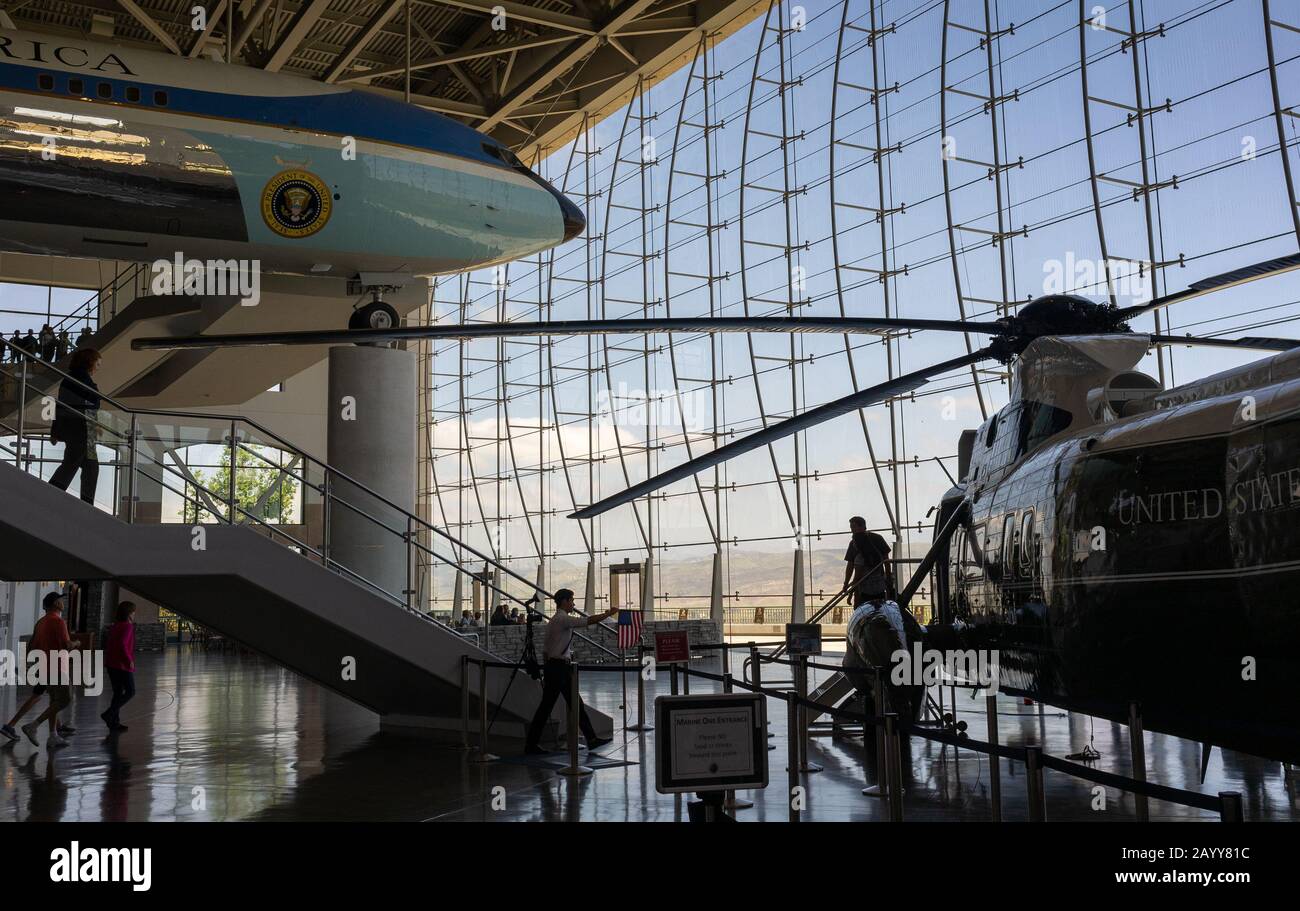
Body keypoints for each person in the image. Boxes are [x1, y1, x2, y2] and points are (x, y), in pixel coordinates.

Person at [524, 589, 618, 755]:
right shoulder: (562, 619)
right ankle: (532, 744)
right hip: (559, 668)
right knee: (556, 706)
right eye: (571, 600)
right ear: (564, 601)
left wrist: (547, 670)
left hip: (555, 667)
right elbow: (587, 621)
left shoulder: (554, 620)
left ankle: (591, 738)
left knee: (571, 704)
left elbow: (546, 650)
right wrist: (609, 613)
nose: (573, 604)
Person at [20, 592, 79, 749]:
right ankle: (33, 725)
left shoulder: (40, 622)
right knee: (65, 699)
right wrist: (77, 642)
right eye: (60, 600)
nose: (62, 602)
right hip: (57, 667)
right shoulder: (59, 622)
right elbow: (67, 645)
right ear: (56, 604)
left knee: (54, 700)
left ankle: (53, 736)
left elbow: (32, 646)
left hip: (43, 667)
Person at [49, 346, 102, 505]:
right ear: (90, 362)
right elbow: (87, 403)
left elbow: (62, 404)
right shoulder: (80, 379)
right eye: (98, 363)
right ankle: (48, 496)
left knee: (89, 466)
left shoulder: (73, 378)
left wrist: (55, 430)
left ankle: (85, 503)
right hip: (81, 428)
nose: (99, 367)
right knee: (74, 464)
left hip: (82, 427)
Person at [101, 602, 136, 732]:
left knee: (117, 692)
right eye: (133, 612)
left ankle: (114, 723)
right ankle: (109, 714)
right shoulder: (128, 627)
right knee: (131, 691)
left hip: (111, 664)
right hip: (122, 665)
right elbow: (122, 644)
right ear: (128, 614)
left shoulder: (115, 626)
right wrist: (129, 660)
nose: (134, 614)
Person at [844, 515, 892, 606]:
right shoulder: (877, 538)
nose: (852, 530)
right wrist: (888, 578)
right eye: (851, 527)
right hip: (879, 585)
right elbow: (886, 560)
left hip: (862, 589)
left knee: (862, 611)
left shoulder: (855, 545)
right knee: (880, 608)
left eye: (854, 527)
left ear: (862, 526)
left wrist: (847, 585)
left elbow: (852, 568)